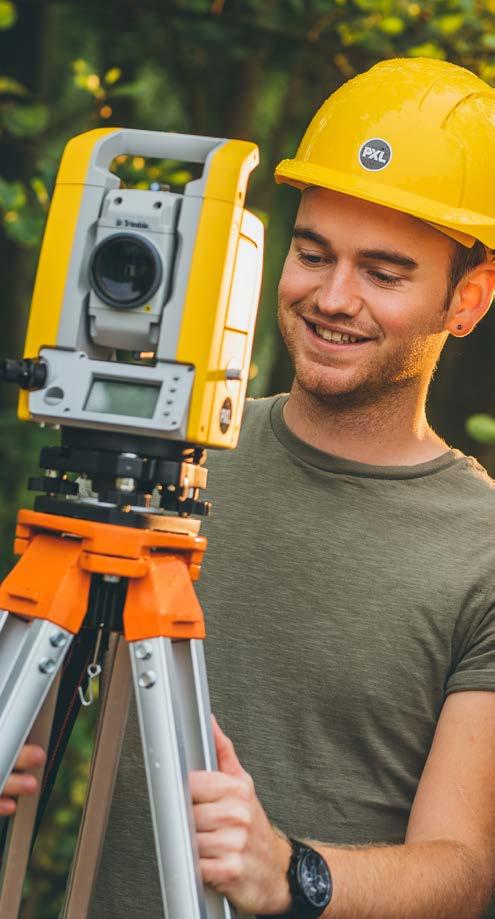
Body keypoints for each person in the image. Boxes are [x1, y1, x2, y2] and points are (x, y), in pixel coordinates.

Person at [3, 57, 495, 919]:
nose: (332, 297)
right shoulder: (170, 469)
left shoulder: (481, 547)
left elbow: (462, 871)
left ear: (468, 300)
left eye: (383, 273)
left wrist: (287, 870)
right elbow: (37, 725)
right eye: (311, 253)